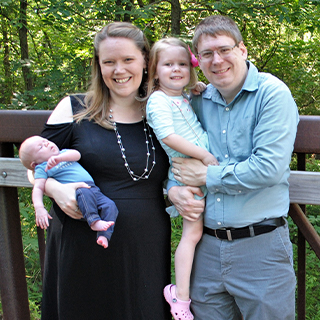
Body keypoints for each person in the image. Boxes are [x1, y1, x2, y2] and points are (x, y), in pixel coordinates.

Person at [167, 15, 299, 320]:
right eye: (207, 54)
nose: (217, 60)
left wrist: (207, 176)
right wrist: (173, 190)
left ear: (242, 49)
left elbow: (269, 168)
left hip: (261, 248)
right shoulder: (196, 101)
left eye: (224, 49)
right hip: (206, 249)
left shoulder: (272, 94)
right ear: (197, 61)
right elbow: (175, 160)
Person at [38, 22, 172, 320]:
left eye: (128, 60)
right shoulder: (74, 108)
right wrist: (56, 190)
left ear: (145, 61)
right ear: (98, 66)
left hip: (144, 247)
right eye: (108, 62)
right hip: (81, 243)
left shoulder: (164, 112)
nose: (118, 70)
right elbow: (34, 164)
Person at [145, 37, 218, 320]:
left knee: (202, 234)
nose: (176, 70)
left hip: (198, 175)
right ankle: (181, 299)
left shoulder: (181, 97)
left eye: (182, 64)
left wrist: (196, 89)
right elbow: (168, 136)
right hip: (187, 177)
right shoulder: (158, 100)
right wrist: (204, 155)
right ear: (155, 71)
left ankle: (191, 291)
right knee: (192, 234)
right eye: (168, 65)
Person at [19, 135, 118, 248]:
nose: (47, 144)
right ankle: (94, 221)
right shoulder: (42, 168)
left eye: (46, 141)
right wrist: (39, 208)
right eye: (41, 147)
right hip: (78, 190)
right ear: (34, 164)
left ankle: (104, 236)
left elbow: (77, 155)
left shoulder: (63, 153)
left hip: (93, 188)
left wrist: (60, 158)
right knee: (85, 194)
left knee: (110, 205)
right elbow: (38, 188)